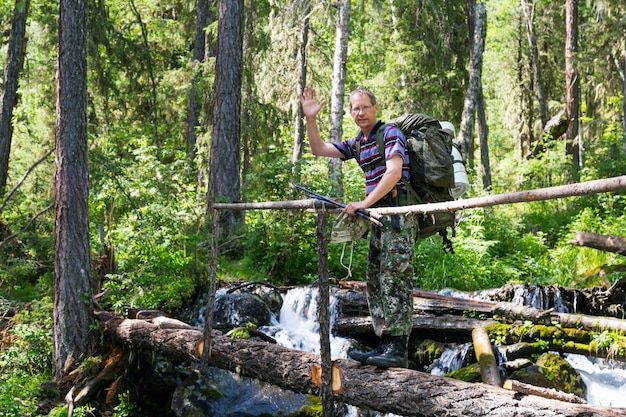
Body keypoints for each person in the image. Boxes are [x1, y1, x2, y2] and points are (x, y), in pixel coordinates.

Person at [299, 87, 417, 368]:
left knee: (395, 279)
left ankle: (398, 348)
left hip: (398, 214)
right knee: (376, 279)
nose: (360, 113)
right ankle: (385, 342)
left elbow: (394, 172)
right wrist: (311, 119)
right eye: (355, 109)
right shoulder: (359, 143)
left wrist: (364, 202)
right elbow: (319, 150)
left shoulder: (390, 133)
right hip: (377, 217)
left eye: (364, 107)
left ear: (376, 108)